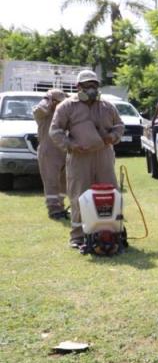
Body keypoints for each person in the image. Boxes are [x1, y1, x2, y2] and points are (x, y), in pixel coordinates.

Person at [49, 70, 124, 249]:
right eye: (87, 85)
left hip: (104, 154)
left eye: (94, 85)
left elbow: (119, 126)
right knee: (78, 195)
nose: (92, 89)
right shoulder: (66, 106)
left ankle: (111, 233)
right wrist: (71, 145)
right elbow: (55, 131)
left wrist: (112, 137)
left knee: (110, 193)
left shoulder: (107, 106)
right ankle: (78, 236)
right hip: (79, 156)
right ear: (78, 87)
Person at [32, 89, 68, 220]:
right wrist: (48, 100)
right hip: (49, 150)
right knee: (51, 181)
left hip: (64, 150)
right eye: (57, 101)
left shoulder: (64, 113)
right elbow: (38, 111)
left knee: (64, 182)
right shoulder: (43, 113)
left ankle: (61, 206)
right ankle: (53, 209)